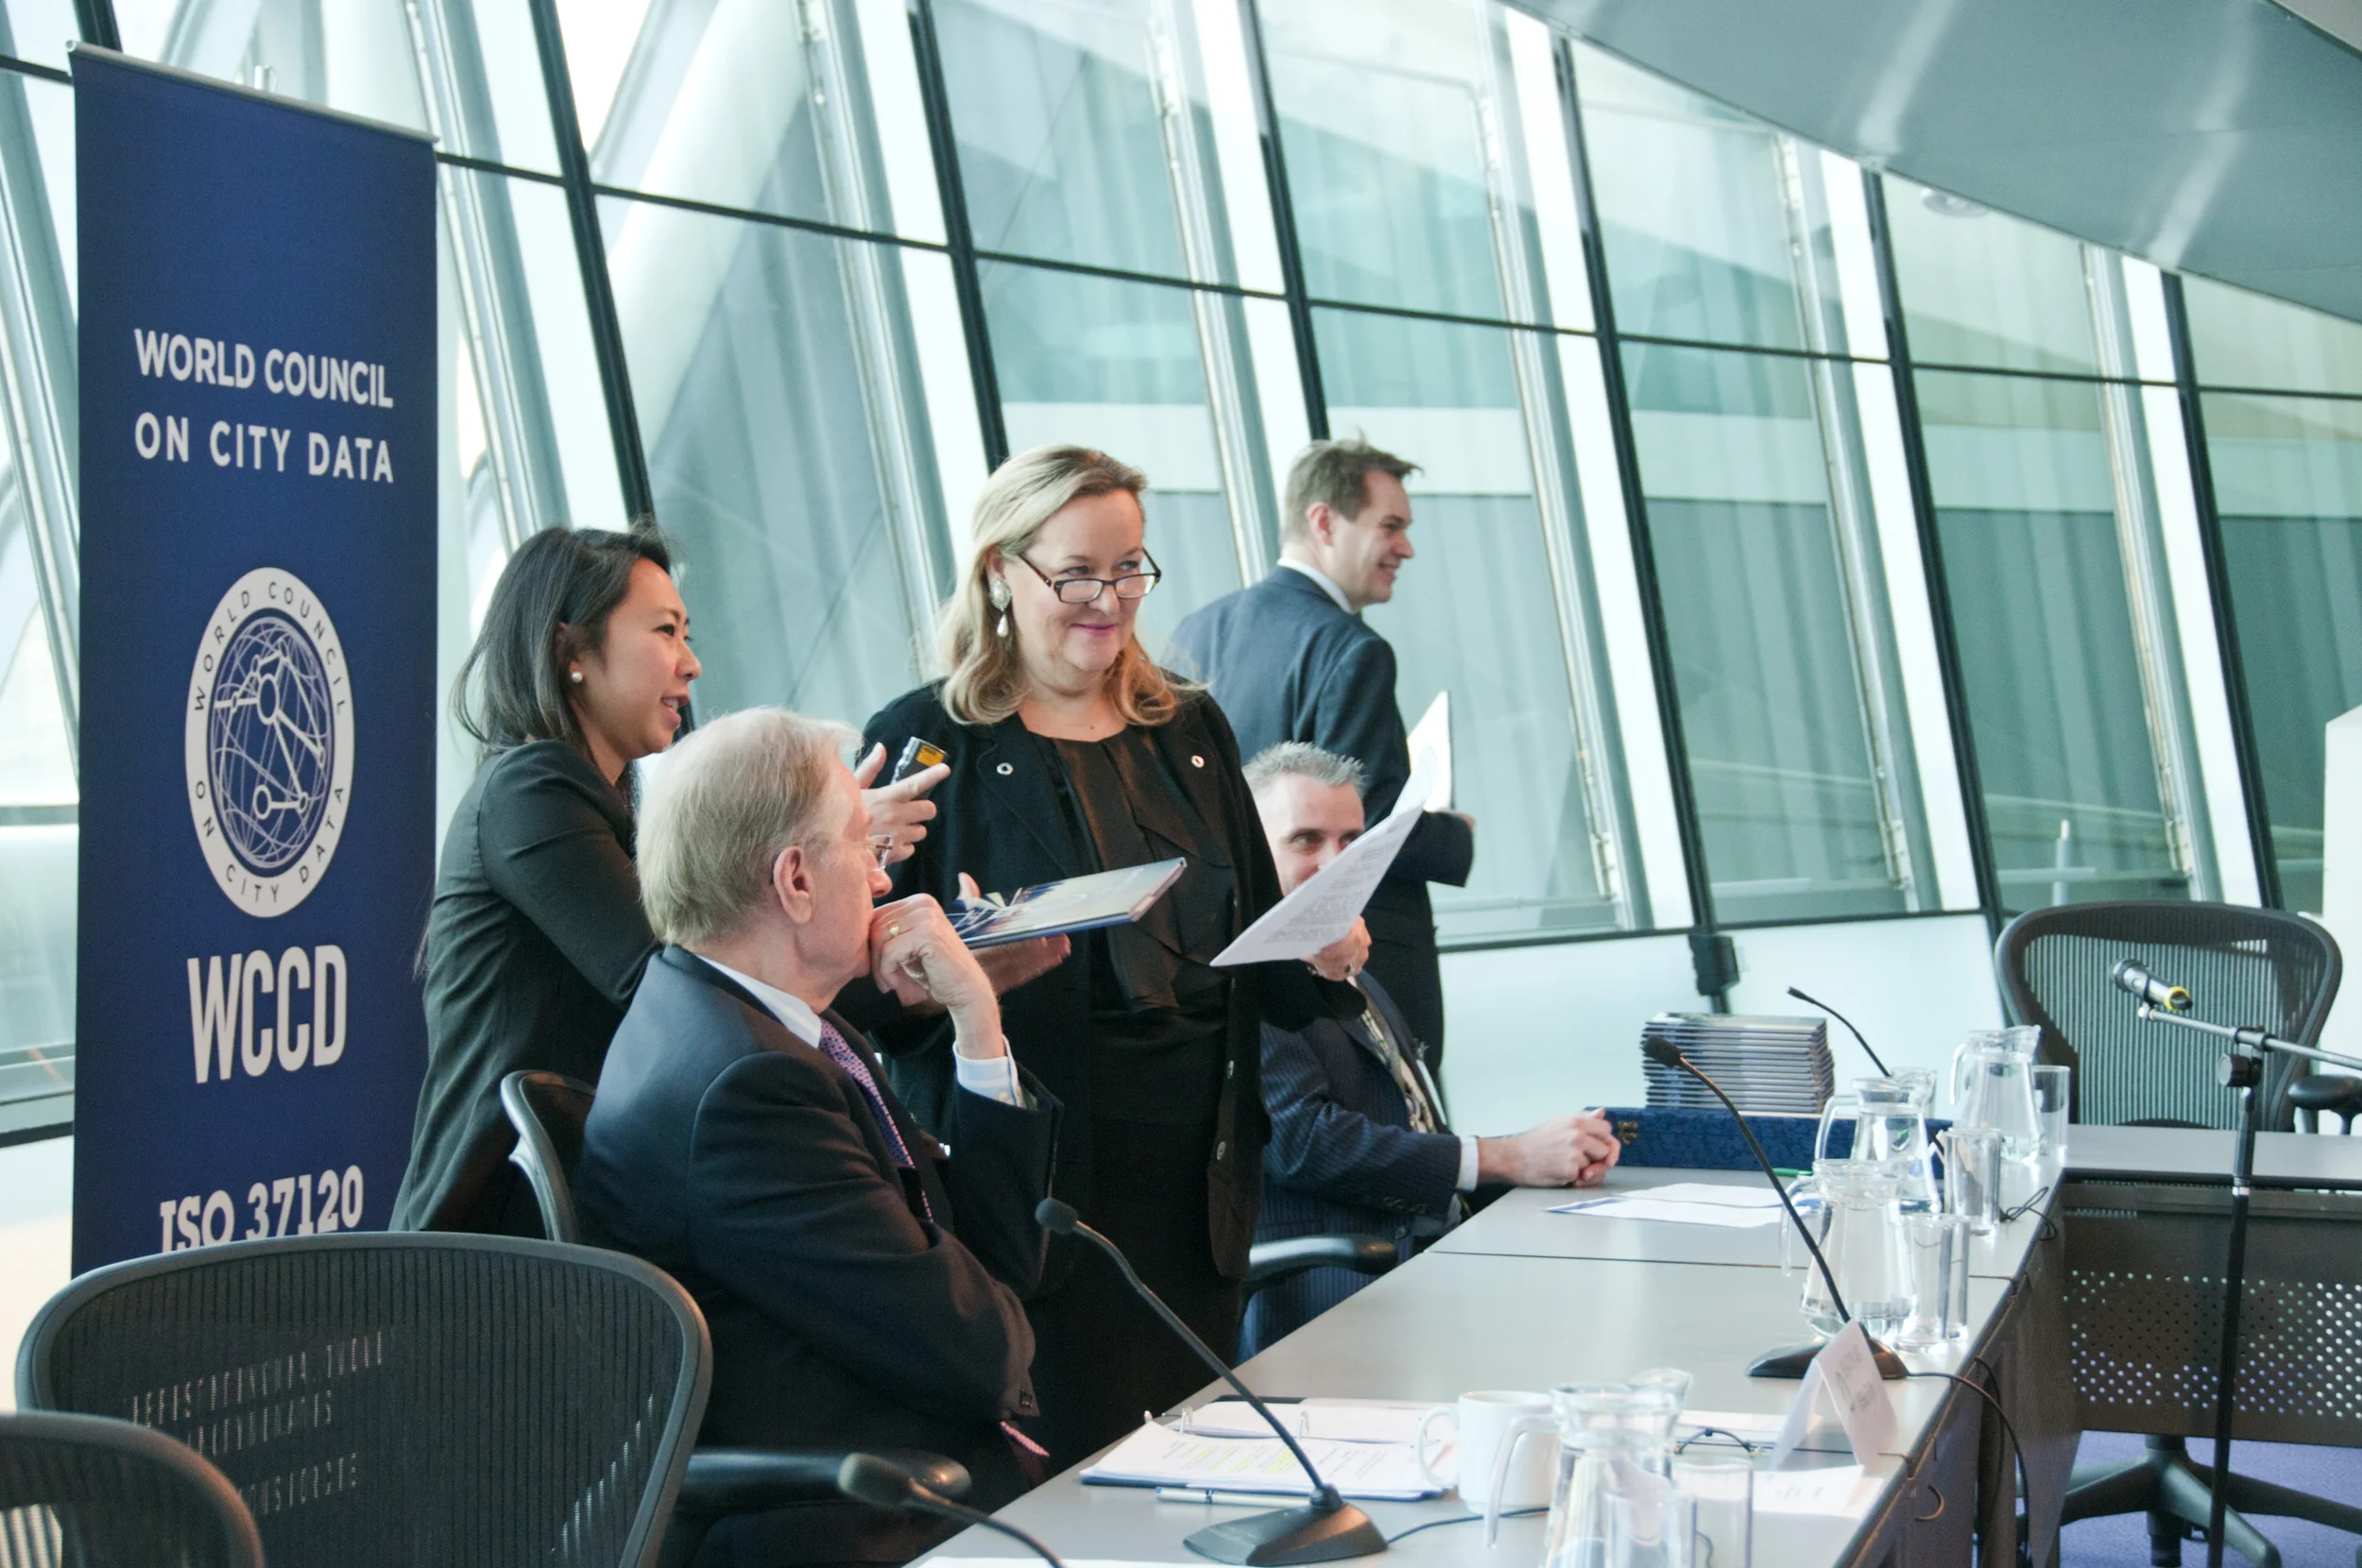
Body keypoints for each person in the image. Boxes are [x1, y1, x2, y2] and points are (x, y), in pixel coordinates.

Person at [849, 445, 1362, 1468]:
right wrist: (960, 970)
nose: (1109, 599)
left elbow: (1253, 954)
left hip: (1199, 1177)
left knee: (1193, 1470)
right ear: (1000, 571)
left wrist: (1321, 953)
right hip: (1033, 1182)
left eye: (1129, 567)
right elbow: (868, 1004)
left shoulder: (1191, 726)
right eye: (1076, 572)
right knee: (1062, 1478)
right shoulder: (925, 740)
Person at [573, 707, 1056, 1568]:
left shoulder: (761, 1023)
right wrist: (993, 1316)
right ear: (795, 879)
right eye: (865, 850)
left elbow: (1001, 1267)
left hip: (902, 1485)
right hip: (856, 1521)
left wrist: (976, 1021)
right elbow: (979, 1351)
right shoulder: (749, 1087)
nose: (882, 884)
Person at [390, 524, 943, 1234]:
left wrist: (907, 965)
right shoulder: (530, 788)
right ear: (572, 651)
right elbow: (679, 983)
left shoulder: (607, 796)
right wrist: (825, 838)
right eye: (665, 632)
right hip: (502, 1238)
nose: (692, 664)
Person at [1239, 741, 1620, 1357]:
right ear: (1249, 852)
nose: (1335, 865)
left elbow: (1406, 1124)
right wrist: (1508, 1158)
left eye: (1351, 843)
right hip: (1336, 1298)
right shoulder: (1246, 978)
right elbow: (1304, 1142)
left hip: (1431, 1260)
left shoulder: (1353, 966)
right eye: (1306, 840)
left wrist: (1545, 1155)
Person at [1167, 437, 1473, 1078]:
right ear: (1324, 521)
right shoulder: (1350, 648)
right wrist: (1454, 835)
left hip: (1229, 958)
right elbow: (1368, 827)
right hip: (1343, 961)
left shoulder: (1198, 630)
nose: (1406, 548)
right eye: (1390, 526)